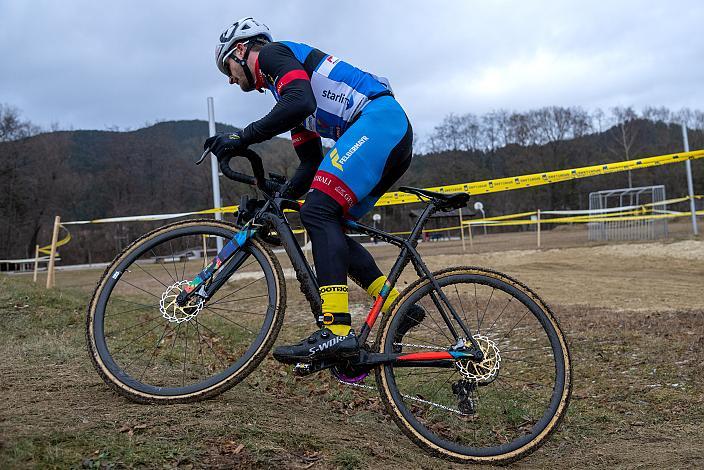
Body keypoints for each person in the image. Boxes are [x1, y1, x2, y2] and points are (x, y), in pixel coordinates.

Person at [205, 17, 424, 364]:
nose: (230, 78)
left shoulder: (273, 56)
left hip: (378, 122)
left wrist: (242, 137)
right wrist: (280, 200)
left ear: (242, 50)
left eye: (227, 67)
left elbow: (301, 102)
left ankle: (336, 331)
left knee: (318, 211)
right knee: (326, 220)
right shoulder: (286, 92)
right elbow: (309, 163)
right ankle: (399, 307)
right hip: (387, 135)